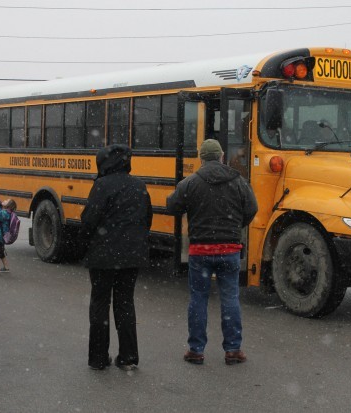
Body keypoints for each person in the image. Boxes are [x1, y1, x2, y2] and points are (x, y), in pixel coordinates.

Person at [166, 139, 258, 366]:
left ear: (201, 158)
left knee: (198, 298)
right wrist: (237, 225)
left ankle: (196, 350)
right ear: (221, 157)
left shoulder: (191, 182)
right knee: (230, 298)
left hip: (200, 251)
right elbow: (252, 208)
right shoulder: (238, 181)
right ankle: (233, 349)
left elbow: (171, 206)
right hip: (230, 250)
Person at [79, 144, 153, 371]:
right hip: (131, 256)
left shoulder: (101, 186)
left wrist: (85, 244)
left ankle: (99, 358)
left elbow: (89, 220)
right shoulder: (139, 185)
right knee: (125, 303)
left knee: (100, 304)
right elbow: (147, 218)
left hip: (103, 257)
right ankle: (129, 357)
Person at [0, 199, 17, 274]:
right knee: (1, 250)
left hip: (2, 235)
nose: (4, 200)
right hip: (3, 235)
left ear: (8, 206)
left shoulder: (6, 213)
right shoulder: (7, 212)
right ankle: (6, 267)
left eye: (6, 201)